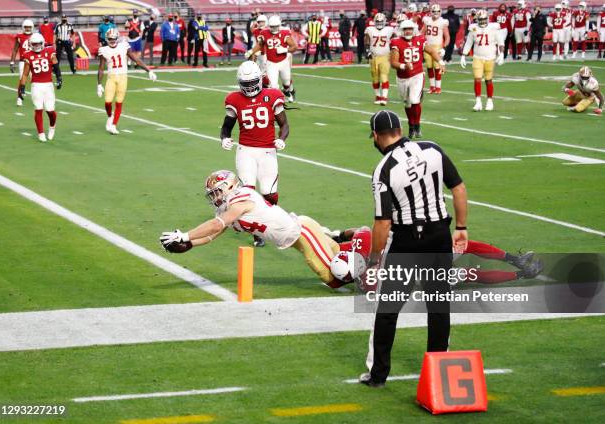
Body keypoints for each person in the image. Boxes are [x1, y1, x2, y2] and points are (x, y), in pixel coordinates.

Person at [358, 109, 468, 388]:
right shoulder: (432, 148)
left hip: (407, 240)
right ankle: (440, 371)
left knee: (387, 308)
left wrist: (374, 261)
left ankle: (378, 374)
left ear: (375, 135)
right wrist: (462, 227)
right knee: (439, 307)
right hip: (440, 235)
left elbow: (382, 223)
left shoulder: (384, 168)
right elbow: (458, 188)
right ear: (400, 129)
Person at [159, 170, 372, 288]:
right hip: (296, 235)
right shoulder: (228, 208)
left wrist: (185, 234)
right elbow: (213, 235)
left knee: (333, 279)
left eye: (217, 192)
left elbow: (216, 225)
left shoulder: (241, 199)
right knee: (339, 258)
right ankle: (363, 247)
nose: (215, 197)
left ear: (231, 186)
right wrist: (189, 244)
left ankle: (364, 238)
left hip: (301, 233)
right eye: (212, 194)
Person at [219, 61, 289, 246]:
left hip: (267, 151)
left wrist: (282, 139)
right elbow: (226, 127)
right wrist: (224, 138)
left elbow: (284, 124)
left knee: (269, 193)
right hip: (246, 151)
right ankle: (257, 233)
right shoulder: (234, 99)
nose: (249, 87)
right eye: (246, 83)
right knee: (248, 193)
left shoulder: (273, 95)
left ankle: (276, 224)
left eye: (252, 82)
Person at [390, 20, 445, 138]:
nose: (408, 31)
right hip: (402, 77)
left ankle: (417, 125)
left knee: (415, 100)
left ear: (413, 29)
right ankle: (411, 124)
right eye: (405, 29)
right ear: (402, 30)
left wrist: (440, 62)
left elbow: (431, 51)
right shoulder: (396, 42)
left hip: (417, 74)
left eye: (410, 28)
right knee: (407, 103)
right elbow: (393, 62)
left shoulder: (420, 39)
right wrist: (404, 65)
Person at [97, 28, 157, 134]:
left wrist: (148, 70)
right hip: (111, 77)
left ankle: (114, 125)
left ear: (117, 38)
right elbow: (101, 68)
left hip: (123, 77)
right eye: (110, 38)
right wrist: (99, 84)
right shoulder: (103, 50)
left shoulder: (123, 46)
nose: (112, 40)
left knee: (119, 102)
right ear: (107, 39)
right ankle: (110, 116)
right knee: (107, 102)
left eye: (114, 38)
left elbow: (136, 59)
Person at [18, 33, 62, 142]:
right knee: (38, 108)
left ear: (42, 43)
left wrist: (59, 78)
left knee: (50, 110)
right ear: (31, 44)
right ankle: (41, 132)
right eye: (34, 44)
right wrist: (22, 87)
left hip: (48, 85)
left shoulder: (49, 51)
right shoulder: (28, 55)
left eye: (38, 43)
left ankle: (52, 126)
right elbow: (25, 74)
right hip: (36, 85)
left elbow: (56, 65)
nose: (36, 46)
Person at [461, 10, 504, 112]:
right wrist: (463, 55)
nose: (483, 21)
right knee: (477, 78)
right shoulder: (473, 28)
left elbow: (500, 42)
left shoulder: (494, 27)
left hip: (490, 57)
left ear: (488, 19)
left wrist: (501, 53)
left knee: (488, 79)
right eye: (480, 20)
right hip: (477, 57)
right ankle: (478, 101)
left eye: (484, 19)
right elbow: (469, 43)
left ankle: (489, 101)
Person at [246, 16, 298, 101]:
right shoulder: (264, 33)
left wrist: (285, 49)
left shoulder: (285, 33)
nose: (274, 28)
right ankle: (278, 101)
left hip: (283, 62)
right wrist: (251, 51)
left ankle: (287, 91)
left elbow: (294, 47)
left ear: (279, 25)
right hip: (271, 63)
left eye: (276, 26)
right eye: (272, 26)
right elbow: (260, 44)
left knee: (287, 83)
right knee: (273, 86)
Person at [364, 13, 394, 105]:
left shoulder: (389, 29)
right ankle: (378, 96)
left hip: (385, 56)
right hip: (373, 56)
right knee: (375, 77)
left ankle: (384, 97)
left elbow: (396, 39)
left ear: (385, 21)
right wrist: (367, 50)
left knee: (384, 75)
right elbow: (366, 39)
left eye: (381, 21)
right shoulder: (370, 29)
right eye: (377, 21)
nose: (379, 23)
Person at [421, 4, 449, 94]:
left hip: (437, 46)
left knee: (437, 67)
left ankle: (438, 87)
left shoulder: (443, 22)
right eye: (434, 11)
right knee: (429, 67)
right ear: (431, 12)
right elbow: (422, 32)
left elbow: (447, 37)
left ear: (440, 12)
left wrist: (444, 47)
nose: (436, 13)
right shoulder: (427, 20)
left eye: (437, 11)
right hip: (428, 46)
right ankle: (432, 87)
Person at [9, 19, 34, 106]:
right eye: (26, 27)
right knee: (21, 80)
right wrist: (12, 62)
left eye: (29, 27)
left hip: (33, 61)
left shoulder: (36, 36)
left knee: (36, 80)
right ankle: (19, 98)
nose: (27, 29)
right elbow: (15, 50)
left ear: (32, 27)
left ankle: (37, 97)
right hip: (23, 61)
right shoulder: (19, 36)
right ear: (23, 27)